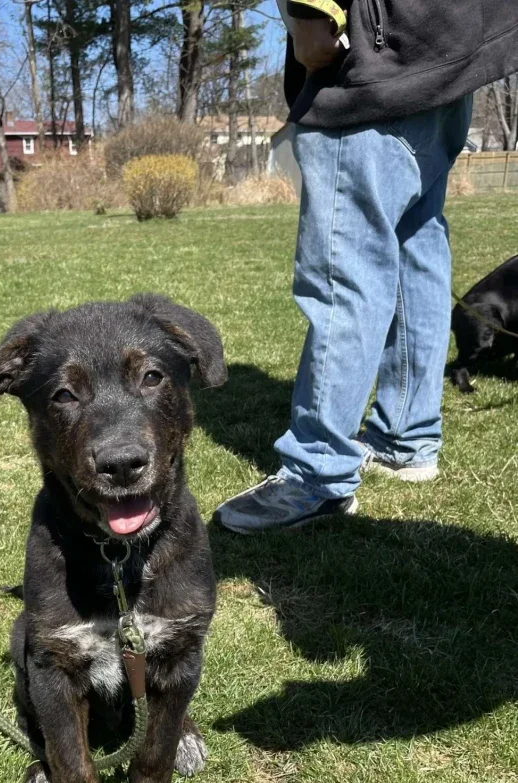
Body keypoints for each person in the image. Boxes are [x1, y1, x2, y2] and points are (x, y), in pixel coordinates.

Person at [215, 0, 518, 533]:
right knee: (415, 245)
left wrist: (311, 14)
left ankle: (318, 474)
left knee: (343, 270)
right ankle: (407, 438)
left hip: (377, 59)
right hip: (451, 48)